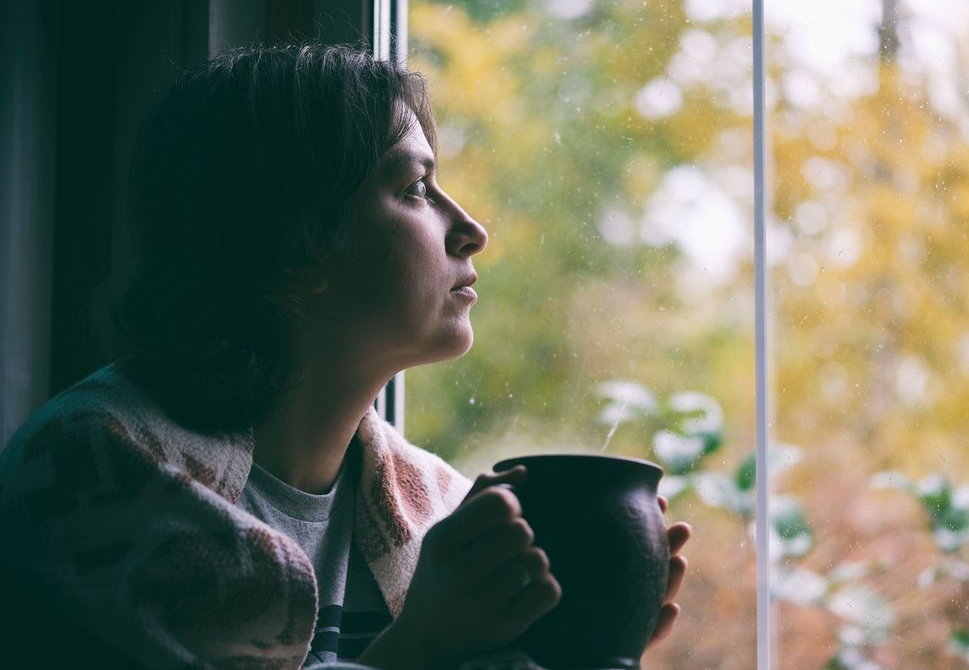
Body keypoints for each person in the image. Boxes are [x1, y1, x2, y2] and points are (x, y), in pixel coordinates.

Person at [0, 44, 690, 669]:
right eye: (416, 188)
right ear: (297, 242)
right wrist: (421, 645)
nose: (472, 230)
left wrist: (582, 648)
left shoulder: (436, 513)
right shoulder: (87, 472)